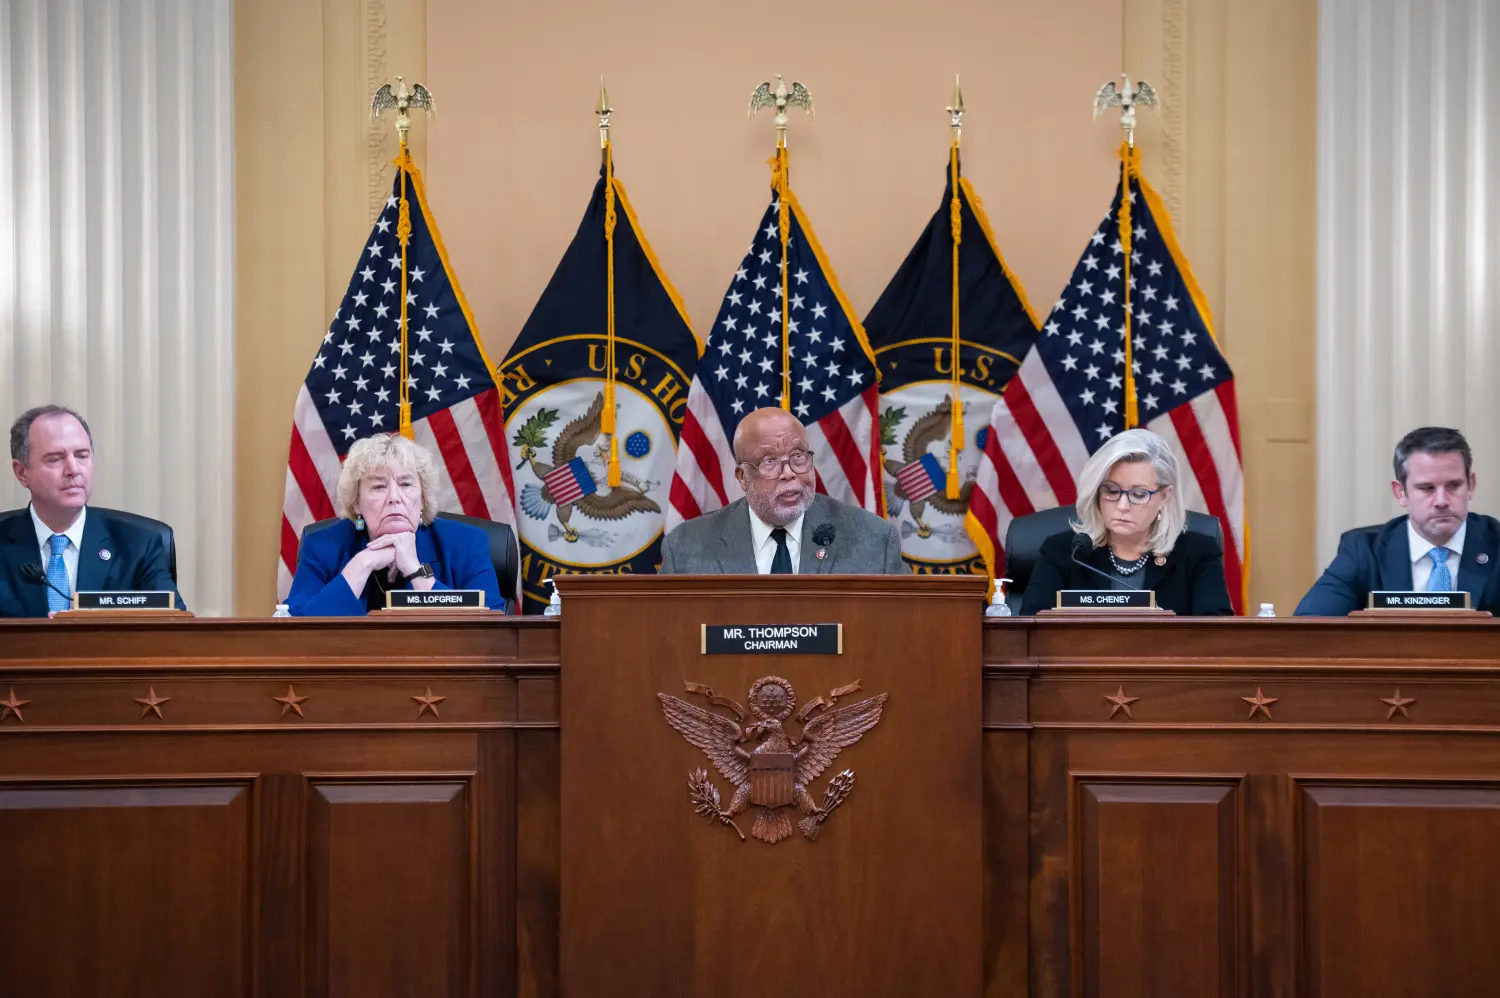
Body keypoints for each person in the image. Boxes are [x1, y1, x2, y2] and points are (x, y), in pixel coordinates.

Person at [660, 407, 905, 575]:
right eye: (769, 461)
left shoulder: (874, 540)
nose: (789, 473)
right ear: (743, 477)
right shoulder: (686, 548)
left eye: (798, 456)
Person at [1019, 428, 1232, 615]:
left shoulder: (1198, 554)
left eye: (1138, 494)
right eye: (1111, 491)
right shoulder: (1064, 552)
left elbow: (1216, 638)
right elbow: (1030, 633)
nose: (1122, 505)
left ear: (1164, 497)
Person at [285, 434, 502, 615]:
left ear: (423, 499)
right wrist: (362, 563)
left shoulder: (466, 544)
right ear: (357, 503)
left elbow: (490, 631)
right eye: (378, 487)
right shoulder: (322, 547)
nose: (394, 497)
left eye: (406, 484)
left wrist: (416, 571)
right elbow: (297, 631)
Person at [1, 404, 185, 617]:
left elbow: (175, 629)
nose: (73, 470)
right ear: (22, 472)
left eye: (81, 455)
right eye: (55, 459)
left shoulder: (138, 546)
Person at [1296, 426, 1500, 615]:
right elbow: (1310, 629)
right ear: (1401, 493)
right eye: (1426, 488)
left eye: (1454, 486)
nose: (1441, 501)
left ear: (1470, 485)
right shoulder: (1364, 551)